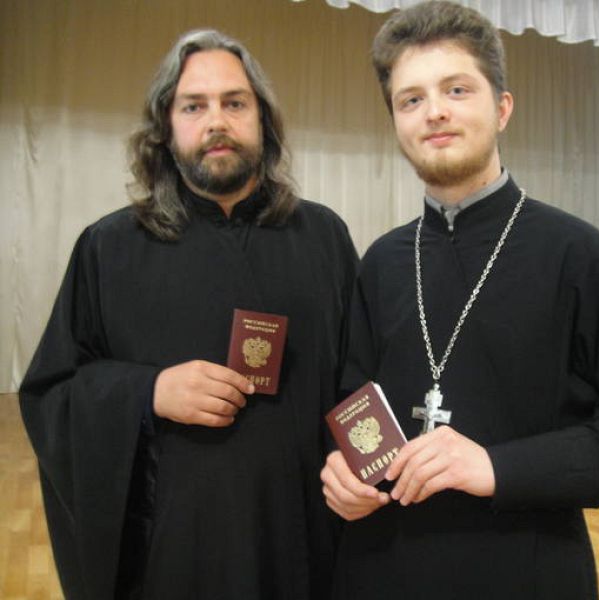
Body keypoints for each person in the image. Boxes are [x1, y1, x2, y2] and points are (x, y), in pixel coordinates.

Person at [320, 2, 599, 598]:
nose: (434, 111)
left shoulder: (579, 254)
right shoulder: (382, 261)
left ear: (502, 108)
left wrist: (498, 467)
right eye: (410, 99)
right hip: (384, 567)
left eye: (456, 89)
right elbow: (354, 401)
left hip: (526, 567)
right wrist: (342, 467)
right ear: (395, 122)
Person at [20, 29, 358, 600]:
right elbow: (50, 394)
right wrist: (147, 392)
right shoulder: (109, 248)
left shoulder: (323, 237)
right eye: (193, 106)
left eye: (235, 103)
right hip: (173, 553)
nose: (216, 122)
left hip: (298, 541)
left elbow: (359, 376)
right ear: (165, 127)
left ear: (263, 120)